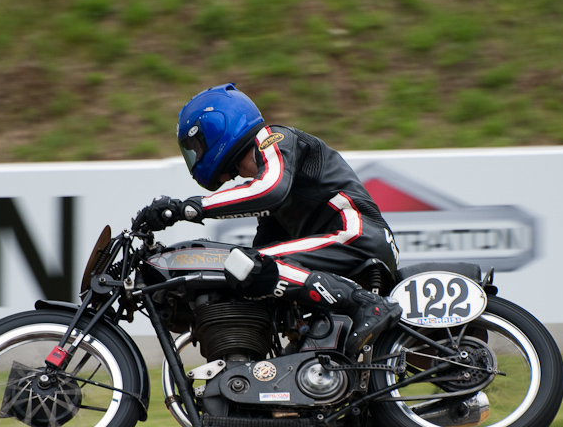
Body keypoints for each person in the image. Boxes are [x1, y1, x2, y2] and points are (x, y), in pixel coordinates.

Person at [135, 83, 402, 356]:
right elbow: (264, 238)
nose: (196, 154)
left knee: (248, 264)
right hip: (344, 242)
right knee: (249, 268)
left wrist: (185, 209)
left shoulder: (273, 138)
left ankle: (365, 303)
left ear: (218, 127)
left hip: (355, 232)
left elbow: (270, 190)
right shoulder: (267, 180)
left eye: (196, 145)